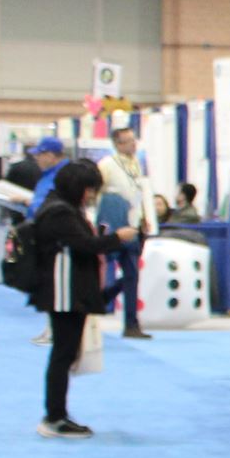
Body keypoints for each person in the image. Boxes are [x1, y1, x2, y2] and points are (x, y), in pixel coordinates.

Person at [24, 157, 138, 438]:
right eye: (89, 189)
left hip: (68, 290)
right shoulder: (59, 212)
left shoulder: (60, 207)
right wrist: (117, 239)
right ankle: (54, 416)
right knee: (62, 354)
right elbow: (85, 245)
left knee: (64, 354)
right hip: (64, 292)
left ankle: (57, 413)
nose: (91, 195)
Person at [99, 124, 154, 339]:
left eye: (134, 140)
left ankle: (131, 323)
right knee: (109, 269)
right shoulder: (107, 165)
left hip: (134, 224)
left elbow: (140, 194)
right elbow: (97, 194)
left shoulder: (136, 164)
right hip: (114, 225)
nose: (134, 144)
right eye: (129, 140)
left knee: (132, 275)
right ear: (118, 144)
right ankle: (103, 298)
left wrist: (146, 218)